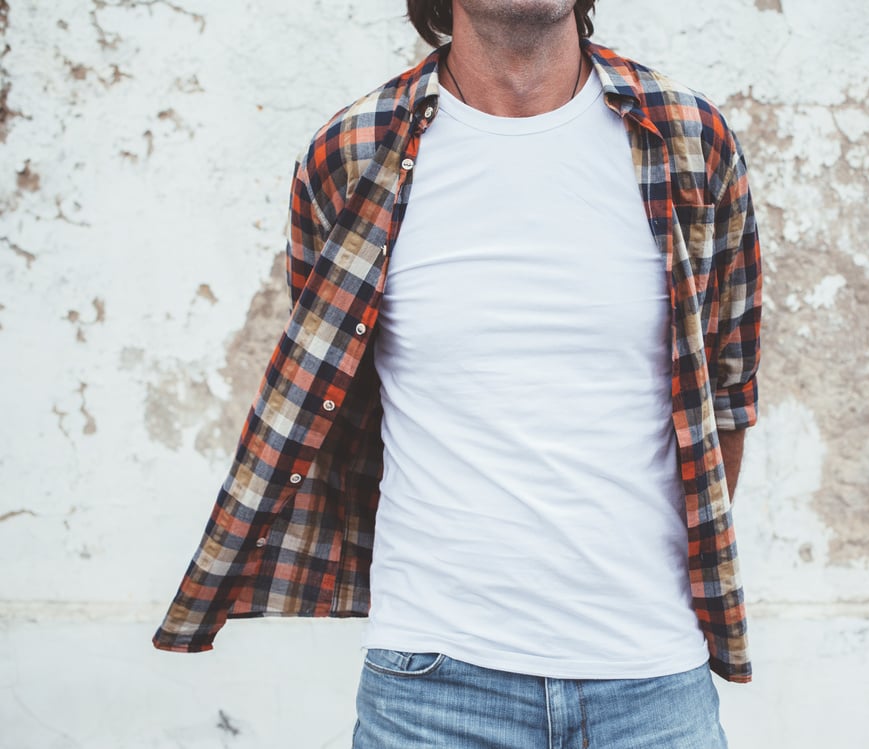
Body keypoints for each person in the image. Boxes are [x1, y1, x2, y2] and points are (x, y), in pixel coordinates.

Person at [152, 1, 762, 745]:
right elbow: (337, 396)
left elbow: (727, 398)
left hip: (653, 681)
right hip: (431, 688)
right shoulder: (351, 153)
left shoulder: (690, 139)